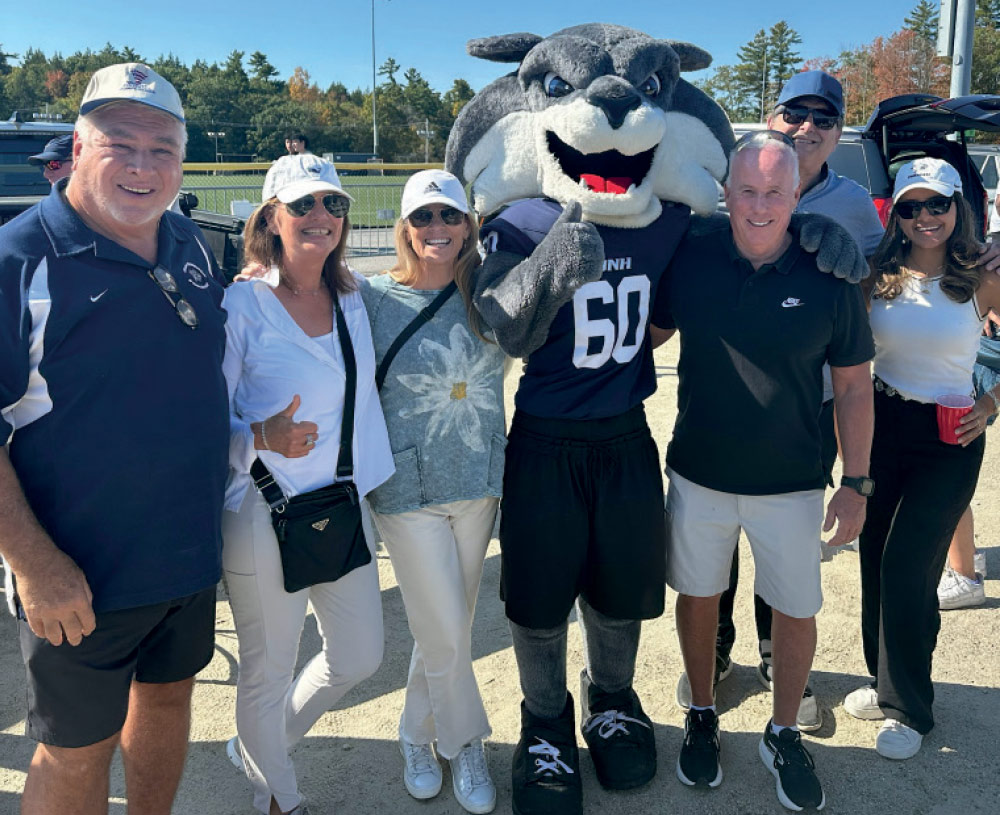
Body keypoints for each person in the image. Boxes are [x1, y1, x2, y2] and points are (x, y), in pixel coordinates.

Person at [0, 63, 229, 815]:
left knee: (165, 705)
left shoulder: (188, 240)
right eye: (118, 142)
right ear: (77, 144)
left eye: (161, 148)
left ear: (183, 160)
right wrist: (34, 564)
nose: (141, 165)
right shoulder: (18, 259)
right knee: (74, 751)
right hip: (78, 574)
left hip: (186, 557)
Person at [653, 131, 874, 811]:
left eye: (774, 191)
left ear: (798, 193)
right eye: (746, 189)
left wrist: (857, 482)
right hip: (700, 472)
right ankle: (700, 710)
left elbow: (857, 386)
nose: (759, 205)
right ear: (725, 192)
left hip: (794, 480)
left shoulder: (829, 273)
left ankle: (782, 731)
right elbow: (648, 331)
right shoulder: (692, 254)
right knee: (697, 597)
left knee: (795, 608)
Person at [221, 154, 393, 815]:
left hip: (340, 506)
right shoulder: (244, 303)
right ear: (271, 217)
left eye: (333, 204)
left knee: (358, 654)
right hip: (265, 509)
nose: (321, 217)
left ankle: (261, 749)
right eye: (303, 205)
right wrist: (261, 437)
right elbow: (204, 418)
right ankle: (280, 799)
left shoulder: (352, 297)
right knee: (266, 671)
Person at [844, 158, 1000, 759]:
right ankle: (885, 684)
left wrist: (991, 401)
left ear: (958, 208)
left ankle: (910, 709)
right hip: (882, 425)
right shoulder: (876, 274)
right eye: (910, 206)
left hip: (950, 433)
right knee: (873, 558)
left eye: (937, 204)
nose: (925, 217)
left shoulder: (981, 276)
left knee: (910, 565)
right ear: (896, 214)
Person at [361, 170, 506, 814]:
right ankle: (464, 740)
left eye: (450, 217)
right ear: (405, 226)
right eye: (424, 218)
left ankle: (416, 733)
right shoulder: (368, 298)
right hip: (406, 487)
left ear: (469, 225)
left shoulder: (492, 294)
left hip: (477, 482)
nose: (437, 230)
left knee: (445, 623)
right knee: (446, 626)